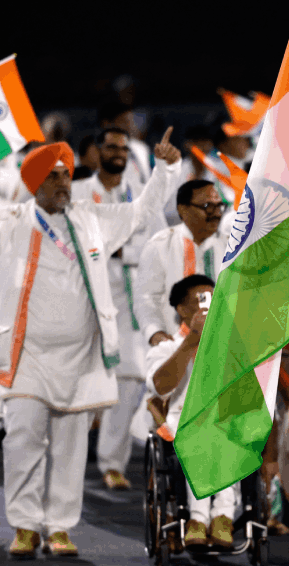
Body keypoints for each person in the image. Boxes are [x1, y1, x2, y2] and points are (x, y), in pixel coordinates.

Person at [0, 135, 180, 559]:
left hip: (80, 358)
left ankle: (60, 527)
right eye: (55, 177)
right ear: (35, 185)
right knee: (23, 438)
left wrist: (164, 171)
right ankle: (26, 527)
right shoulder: (8, 219)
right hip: (26, 356)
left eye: (67, 175)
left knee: (69, 445)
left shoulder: (91, 218)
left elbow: (141, 214)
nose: (65, 183)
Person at [73, 126, 177, 490]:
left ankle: (111, 463)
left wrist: (127, 254)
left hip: (131, 300)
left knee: (130, 381)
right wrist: (108, 250)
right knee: (81, 384)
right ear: (96, 152)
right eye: (110, 146)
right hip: (88, 299)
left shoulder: (138, 191)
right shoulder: (79, 193)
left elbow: (159, 239)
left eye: (122, 147)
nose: (118, 152)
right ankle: (66, 460)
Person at [144, 275, 240, 548]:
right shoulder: (166, 348)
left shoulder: (229, 345)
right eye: (201, 300)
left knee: (225, 431)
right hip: (180, 422)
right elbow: (160, 387)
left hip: (223, 422)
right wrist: (191, 342)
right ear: (182, 310)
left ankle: (218, 517)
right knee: (200, 433)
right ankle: (204, 518)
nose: (209, 307)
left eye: (213, 300)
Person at [135, 179, 231, 344]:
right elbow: (146, 299)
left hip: (223, 349)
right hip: (176, 349)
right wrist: (155, 333)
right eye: (208, 207)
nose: (216, 213)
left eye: (219, 206)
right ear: (183, 209)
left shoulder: (231, 247)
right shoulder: (161, 245)